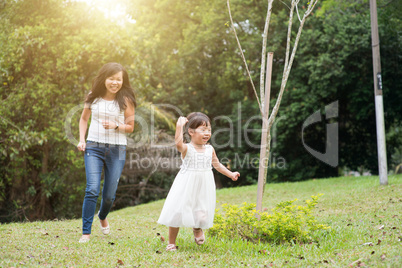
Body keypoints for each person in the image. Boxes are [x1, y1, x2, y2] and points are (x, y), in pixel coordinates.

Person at [157, 112, 240, 251]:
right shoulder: (187, 148)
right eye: (203, 130)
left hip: (204, 184)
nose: (207, 133)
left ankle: (197, 228)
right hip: (186, 183)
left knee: (202, 211)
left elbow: (217, 165)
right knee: (177, 212)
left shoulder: (209, 149)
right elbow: (178, 144)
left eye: (209, 130)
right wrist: (179, 127)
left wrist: (230, 174)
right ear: (191, 131)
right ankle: (171, 242)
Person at [76, 62, 136, 243]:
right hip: (93, 147)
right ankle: (86, 232)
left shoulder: (126, 100)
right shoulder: (92, 97)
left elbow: (131, 127)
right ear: (104, 79)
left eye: (119, 79)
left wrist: (116, 125)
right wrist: (81, 139)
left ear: (122, 81)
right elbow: (83, 119)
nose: (115, 83)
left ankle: (102, 216)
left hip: (117, 149)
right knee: (92, 188)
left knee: (109, 195)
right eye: (112, 78)